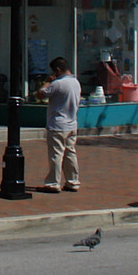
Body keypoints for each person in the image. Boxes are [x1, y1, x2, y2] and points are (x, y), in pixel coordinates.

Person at [39, 56, 81, 194]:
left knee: (56, 155)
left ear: (57, 70)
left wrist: (46, 82)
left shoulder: (57, 84)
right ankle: (73, 181)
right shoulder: (75, 82)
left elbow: (40, 94)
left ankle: (53, 183)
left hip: (57, 124)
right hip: (71, 123)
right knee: (70, 153)